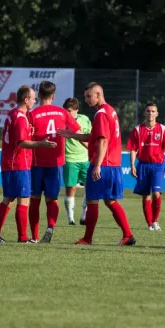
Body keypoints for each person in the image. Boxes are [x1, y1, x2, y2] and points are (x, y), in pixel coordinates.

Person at [58, 82, 136, 246]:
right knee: (110, 201)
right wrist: (71, 134)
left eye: (89, 96)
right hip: (113, 164)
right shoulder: (111, 111)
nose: (86, 100)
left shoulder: (100, 114)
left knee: (92, 200)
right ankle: (128, 235)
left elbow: (102, 141)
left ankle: (87, 239)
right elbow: (93, 137)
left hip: (103, 164)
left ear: (98, 95)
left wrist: (98, 165)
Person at [0, 85, 56, 244]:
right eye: (33, 98)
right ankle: (23, 237)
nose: (35, 100)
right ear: (26, 100)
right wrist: (41, 144)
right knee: (23, 199)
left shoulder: (12, 114)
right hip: (18, 164)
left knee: (9, 199)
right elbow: (22, 143)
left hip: (11, 163)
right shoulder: (20, 118)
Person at [28, 81, 81, 243]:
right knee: (52, 199)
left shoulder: (32, 114)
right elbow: (76, 130)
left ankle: (35, 236)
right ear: (53, 96)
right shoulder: (63, 113)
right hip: (56, 163)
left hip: (37, 163)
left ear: (38, 96)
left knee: (35, 199)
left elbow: (26, 136)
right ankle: (50, 226)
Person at [127, 103, 165, 231]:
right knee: (145, 195)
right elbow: (132, 149)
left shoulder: (163, 130)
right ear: (145, 113)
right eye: (148, 111)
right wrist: (132, 165)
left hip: (158, 166)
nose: (150, 113)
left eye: (153, 111)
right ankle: (149, 223)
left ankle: (155, 221)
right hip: (143, 165)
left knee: (156, 193)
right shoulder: (137, 130)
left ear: (157, 114)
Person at [61, 97, 91, 226]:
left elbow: (91, 135)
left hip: (85, 159)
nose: (67, 113)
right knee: (71, 188)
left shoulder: (85, 120)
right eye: (65, 111)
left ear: (77, 110)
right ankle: (71, 218)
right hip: (70, 159)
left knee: (90, 188)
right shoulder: (61, 121)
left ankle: (84, 216)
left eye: (69, 111)